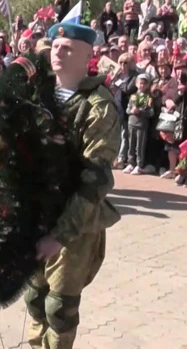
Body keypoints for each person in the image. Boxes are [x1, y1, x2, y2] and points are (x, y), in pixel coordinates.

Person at [22, 22, 120, 348]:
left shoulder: (97, 105)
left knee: (59, 308)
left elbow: (96, 179)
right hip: (34, 216)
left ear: (87, 56)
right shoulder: (37, 94)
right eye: (55, 46)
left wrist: (60, 235)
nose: (58, 52)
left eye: (68, 48)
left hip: (73, 223)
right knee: (35, 299)